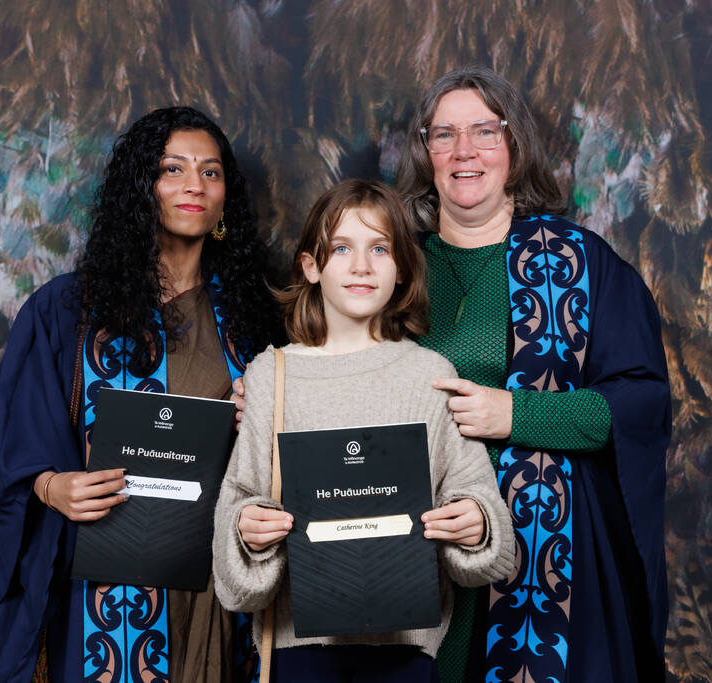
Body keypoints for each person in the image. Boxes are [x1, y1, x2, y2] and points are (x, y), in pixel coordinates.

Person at [0, 106, 283, 682]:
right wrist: (52, 486)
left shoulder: (254, 318)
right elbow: (16, 438)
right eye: (172, 169)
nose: (194, 185)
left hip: (211, 589)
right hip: (97, 590)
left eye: (210, 172)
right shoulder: (67, 310)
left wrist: (259, 419)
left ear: (225, 199)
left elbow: (292, 452)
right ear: (141, 189)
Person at [396, 66, 671, 682]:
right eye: (444, 135)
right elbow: (334, 363)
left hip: (545, 549)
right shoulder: (391, 264)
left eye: (484, 132)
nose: (464, 151)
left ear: (514, 146)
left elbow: (640, 402)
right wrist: (277, 388)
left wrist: (515, 414)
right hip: (413, 540)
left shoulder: (580, 263)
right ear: (425, 152)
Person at [212, 179, 514, 682]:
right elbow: (237, 510)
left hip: (405, 658)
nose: (361, 266)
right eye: (341, 249)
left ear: (402, 269)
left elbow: (482, 511)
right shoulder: (271, 376)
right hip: (299, 655)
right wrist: (247, 528)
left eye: (379, 249)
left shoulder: (429, 376)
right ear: (311, 266)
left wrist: (477, 523)